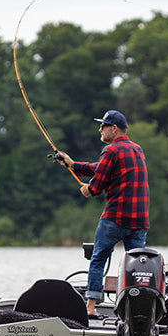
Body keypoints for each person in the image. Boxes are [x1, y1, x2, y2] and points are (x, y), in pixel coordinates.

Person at [57, 109, 150, 317]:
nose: (100, 129)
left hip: (115, 219)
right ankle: (135, 310)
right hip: (139, 221)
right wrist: (72, 165)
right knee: (136, 266)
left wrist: (87, 189)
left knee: (98, 259)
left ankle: (90, 308)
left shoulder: (111, 150)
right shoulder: (137, 150)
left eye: (103, 126)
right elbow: (101, 168)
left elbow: (96, 186)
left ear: (114, 129)